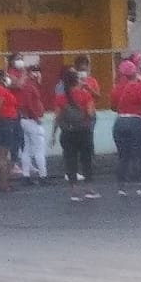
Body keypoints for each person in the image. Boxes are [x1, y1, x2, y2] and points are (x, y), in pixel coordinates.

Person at [110, 60, 141, 197]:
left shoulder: (116, 89)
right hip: (136, 122)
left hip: (120, 122)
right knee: (139, 156)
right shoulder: (140, 87)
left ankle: (121, 188)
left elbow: (113, 107)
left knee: (123, 156)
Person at [53, 68, 99, 201]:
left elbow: (57, 117)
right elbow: (90, 114)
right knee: (86, 160)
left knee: (71, 160)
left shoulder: (61, 98)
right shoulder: (85, 95)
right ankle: (89, 188)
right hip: (84, 131)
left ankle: (74, 190)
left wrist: (53, 135)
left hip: (67, 132)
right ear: (77, 81)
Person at [0, 69, 20, 193]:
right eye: (7, 76)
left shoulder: (2, 89)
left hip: (5, 122)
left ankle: (0, 183)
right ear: (2, 78)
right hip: (4, 123)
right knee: (2, 153)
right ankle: (3, 183)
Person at [18, 64, 48, 185]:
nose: (37, 74)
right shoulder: (29, 86)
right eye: (35, 71)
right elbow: (29, 104)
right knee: (39, 149)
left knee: (27, 148)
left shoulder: (30, 85)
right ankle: (43, 176)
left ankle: (26, 176)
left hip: (26, 120)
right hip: (31, 120)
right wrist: (36, 117)